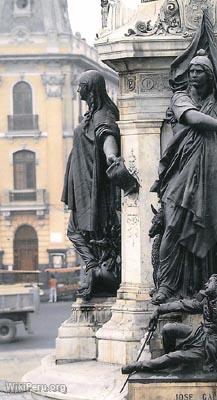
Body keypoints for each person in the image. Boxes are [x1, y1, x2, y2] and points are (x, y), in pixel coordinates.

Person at [151, 12, 217, 303]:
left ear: (210, 76)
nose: (195, 74)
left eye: (200, 71)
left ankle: (216, 285)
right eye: (193, 70)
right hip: (185, 168)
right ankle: (167, 284)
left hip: (216, 171)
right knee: (173, 224)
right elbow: (191, 118)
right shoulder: (180, 99)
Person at [62, 70, 122, 300]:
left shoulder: (103, 115)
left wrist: (111, 157)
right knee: (76, 231)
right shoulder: (92, 114)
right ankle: (94, 269)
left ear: (91, 89)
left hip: (93, 186)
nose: (78, 91)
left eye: (81, 86)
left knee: (78, 231)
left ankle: (94, 269)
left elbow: (108, 136)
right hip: (81, 183)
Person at [121, 274, 217, 374]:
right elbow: (183, 304)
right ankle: (172, 364)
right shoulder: (206, 300)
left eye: (210, 282)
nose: (206, 284)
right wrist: (159, 309)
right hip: (199, 333)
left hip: (213, 344)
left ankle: (140, 365)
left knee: (173, 356)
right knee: (168, 329)